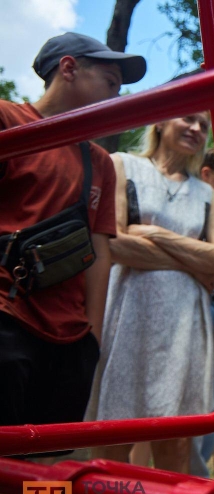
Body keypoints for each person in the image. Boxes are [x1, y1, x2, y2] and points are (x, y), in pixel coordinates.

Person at [0, 32, 145, 431]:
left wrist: (91, 341)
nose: (116, 97)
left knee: (51, 470)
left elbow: (99, 252)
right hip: (7, 318)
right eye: (110, 82)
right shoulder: (7, 121)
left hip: (69, 339)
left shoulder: (100, 161)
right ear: (68, 68)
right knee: (4, 460)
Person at [86, 112, 214, 474]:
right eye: (189, 119)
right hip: (127, 311)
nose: (197, 129)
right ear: (160, 123)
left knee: (175, 439)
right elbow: (113, 242)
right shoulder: (123, 165)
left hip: (184, 323)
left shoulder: (207, 192)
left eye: (204, 126)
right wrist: (195, 265)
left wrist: (156, 234)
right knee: (113, 432)